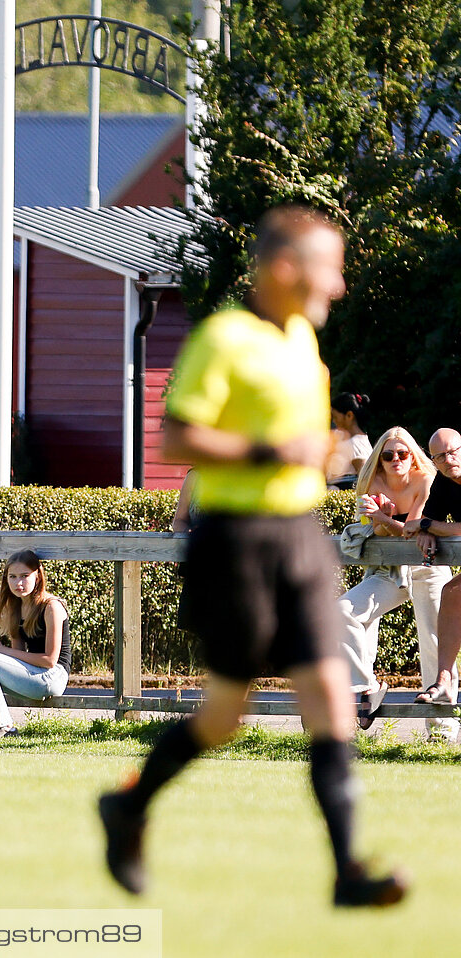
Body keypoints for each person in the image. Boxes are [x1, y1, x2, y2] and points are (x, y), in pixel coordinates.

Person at [95, 206, 404, 908]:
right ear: (286, 268)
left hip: (300, 538)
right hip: (234, 541)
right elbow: (176, 439)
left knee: (333, 702)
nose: (342, 286)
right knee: (224, 715)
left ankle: (348, 872)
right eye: (332, 268)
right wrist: (272, 452)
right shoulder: (225, 338)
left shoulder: (303, 341)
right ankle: (129, 804)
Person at [332, 429, 454, 739]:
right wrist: (382, 519)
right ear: (379, 459)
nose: (396, 460)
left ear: (414, 455)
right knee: (342, 611)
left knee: (434, 641)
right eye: (388, 455)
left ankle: (441, 729)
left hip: (428, 567)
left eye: (403, 454)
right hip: (390, 571)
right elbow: (384, 536)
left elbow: (413, 529)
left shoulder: (428, 480)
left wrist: (385, 518)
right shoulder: (370, 484)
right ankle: (366, 688)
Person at [0, 550, 72, 739]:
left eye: (25, 576)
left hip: (52, 677)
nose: (19, 583)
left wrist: (1, 651)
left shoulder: (51, 606)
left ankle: (2, 727)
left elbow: (49, 660)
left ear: (38, 576)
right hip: (31, 674)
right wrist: (2, 653)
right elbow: (17, 656)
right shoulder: (15, 607)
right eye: (13, 577)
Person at [405, 428, 461, 718]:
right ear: (434, 462)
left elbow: (426, 523)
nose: (448, 459)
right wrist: (428, 532)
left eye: (453, 451)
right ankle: (445, 681)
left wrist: (428, 528)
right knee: (450, 592)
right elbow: (425, 521)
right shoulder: (443, 481)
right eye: (440, 456)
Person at [326, 392, 373, 488]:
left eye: (335, 417)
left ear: (349, 415)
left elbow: (365, 477)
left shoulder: (356, 443)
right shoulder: (347, 440)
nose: (334, 421)